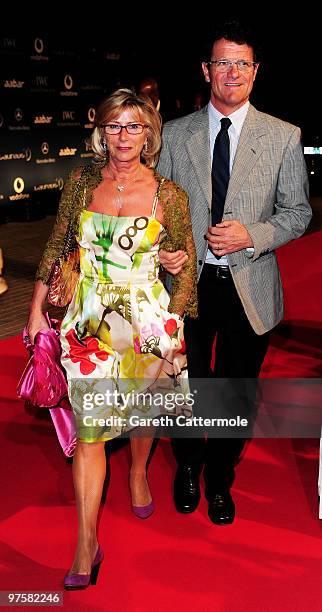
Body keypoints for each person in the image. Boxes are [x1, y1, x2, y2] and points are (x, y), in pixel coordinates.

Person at [26, 88, 197, 589]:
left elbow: (185, 261)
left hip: (146, 319)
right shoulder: (80, 183)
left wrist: (176, 314)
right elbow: (58, 244)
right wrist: (38, 310)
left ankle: (139, 471)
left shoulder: (169, 194)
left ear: (149, 135)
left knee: (144, 411)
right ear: (101, 132)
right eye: (114, 125)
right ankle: (85, 543)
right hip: (89, 322)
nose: (124, 135)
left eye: (134, 126)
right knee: (92, 430)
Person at [157, 20, 312, 525]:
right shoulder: (174, 135)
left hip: (251, 284)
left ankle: (220, 477)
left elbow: (298, 212)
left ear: (255, 71)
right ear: (206, 71)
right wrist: (162, 249)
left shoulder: (283, 137)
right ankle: (187, 466)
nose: (231, 72)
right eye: (222, 62)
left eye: (241, 63)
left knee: (237, 390)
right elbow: (157, 209)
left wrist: (253, 236)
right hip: (187, 285)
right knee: (184, 386)